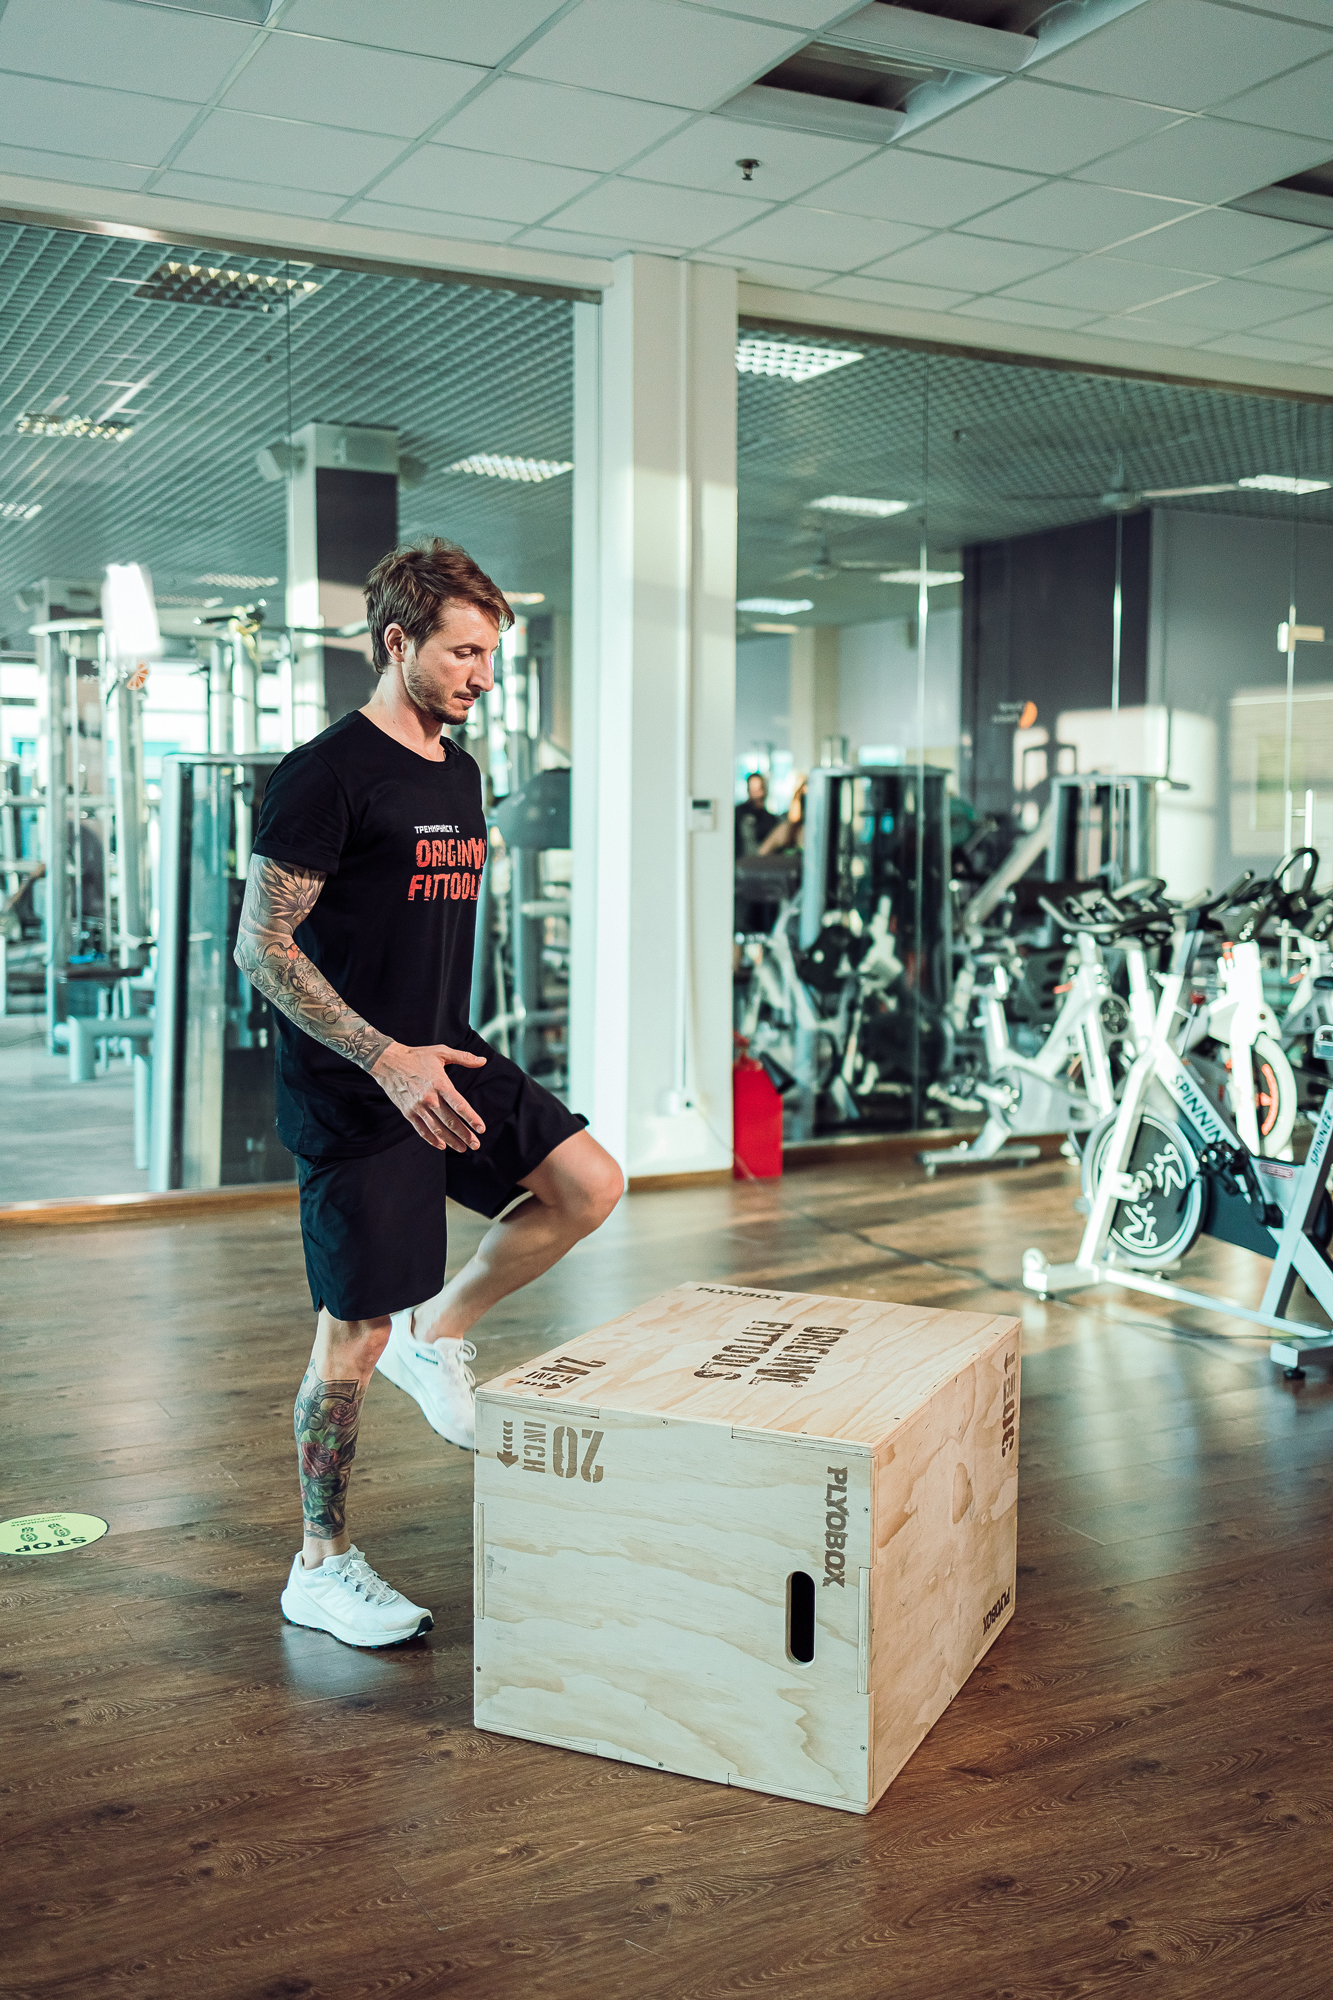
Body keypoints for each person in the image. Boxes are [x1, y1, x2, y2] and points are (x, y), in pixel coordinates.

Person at [235, 538, 623, 1651]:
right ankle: (319, 1565)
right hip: (356, 1087)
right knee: (349, 1336)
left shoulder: (457, 770)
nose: (483, 675)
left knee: (587, 1185)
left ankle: (438, 1332)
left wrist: (425, 1052)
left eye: (491, 654)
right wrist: (383, 1057)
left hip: (446, 1056)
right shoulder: (324, 774)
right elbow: (261, 946)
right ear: (396, 641)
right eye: (464, 652)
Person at [734, 771, 780, 935]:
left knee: (765, 928)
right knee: (741, 927)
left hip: (766, 881)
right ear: (748, 790)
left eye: (761, 788)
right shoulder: (738, 814)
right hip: (743, 879)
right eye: (754, 788)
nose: (758, 792)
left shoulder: (771, 819)